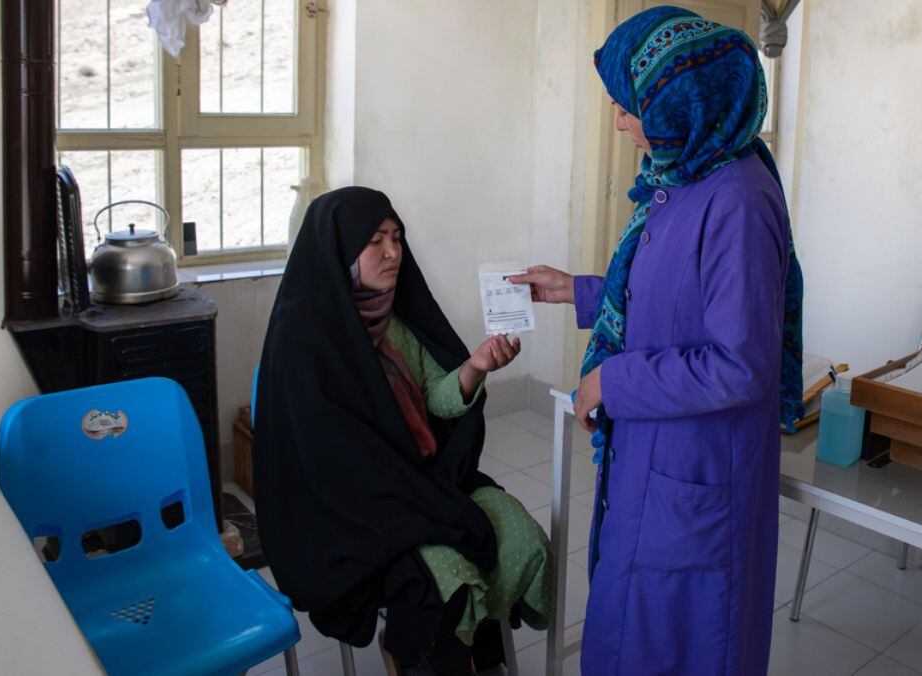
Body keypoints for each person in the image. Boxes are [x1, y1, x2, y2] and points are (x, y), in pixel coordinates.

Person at [510, 7, 804, 674]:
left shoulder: (738, 201)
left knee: (683, 646)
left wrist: (610, 381)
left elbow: (739, 363)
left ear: (682, 102)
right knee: (630, 633)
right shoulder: (688, 174)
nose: (618, 122)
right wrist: (577, 292)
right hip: (658, 459)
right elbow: (669, 298)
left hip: (699, 476)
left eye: (627, 106)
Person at [253, 187, 551, 676]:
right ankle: (424, 656)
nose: (394, 252)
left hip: (416, 482)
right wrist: (405, 490)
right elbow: (324, 459)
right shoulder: (303, 340)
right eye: (376, 240)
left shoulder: (395, 324)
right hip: (349, 505)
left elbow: (436, 396)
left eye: (397, 237)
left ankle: (477, 651)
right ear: (341, 249)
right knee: (446, 577)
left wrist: (474, 367)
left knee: (520, 535)